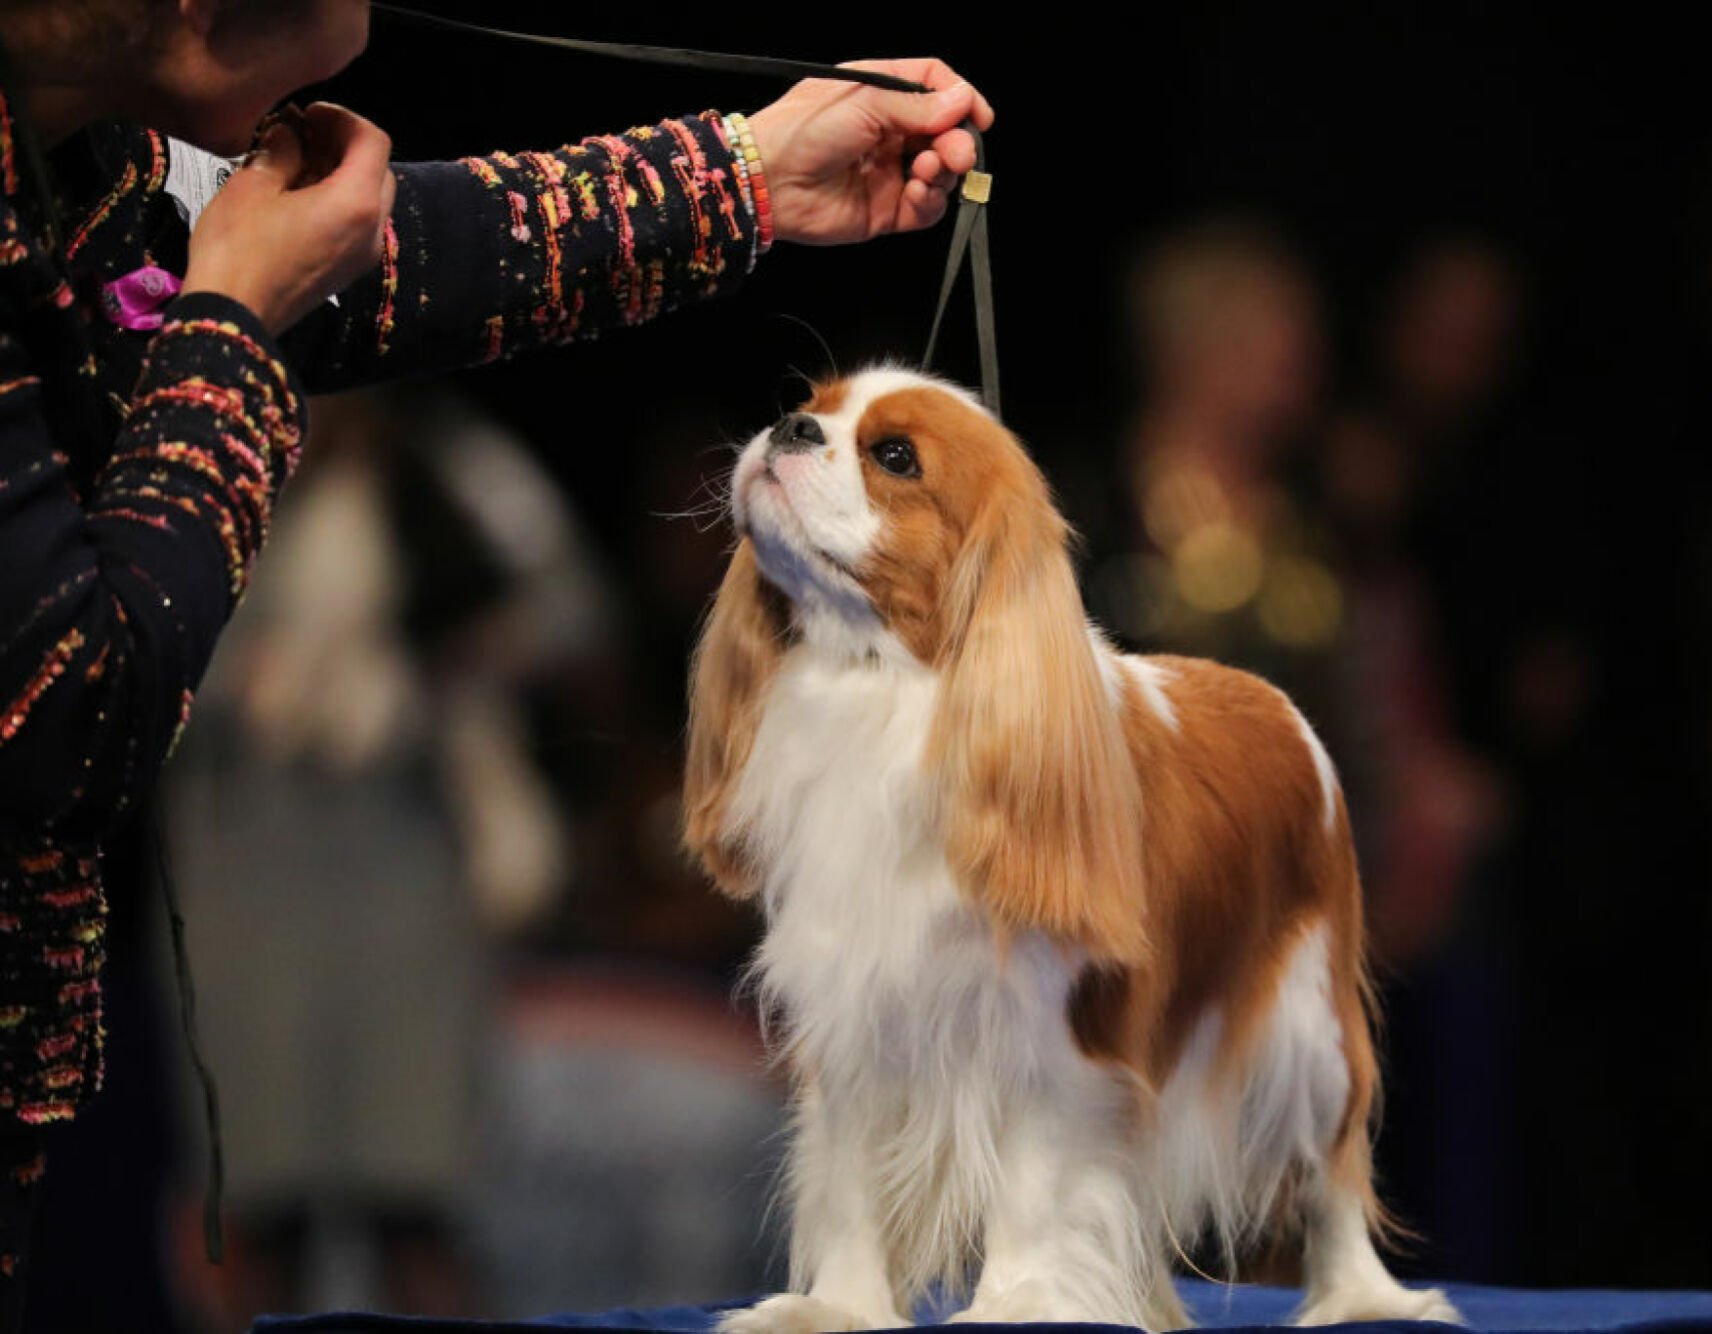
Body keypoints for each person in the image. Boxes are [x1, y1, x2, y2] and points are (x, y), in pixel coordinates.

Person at [0, 0, 993, 1326]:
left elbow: (404, 246)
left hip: (379, 880)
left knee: (405, 1209)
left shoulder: (85, 160)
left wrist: (749, 170)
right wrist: (235, 322)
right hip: (254, 876)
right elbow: (72, 711)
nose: (355, 39)